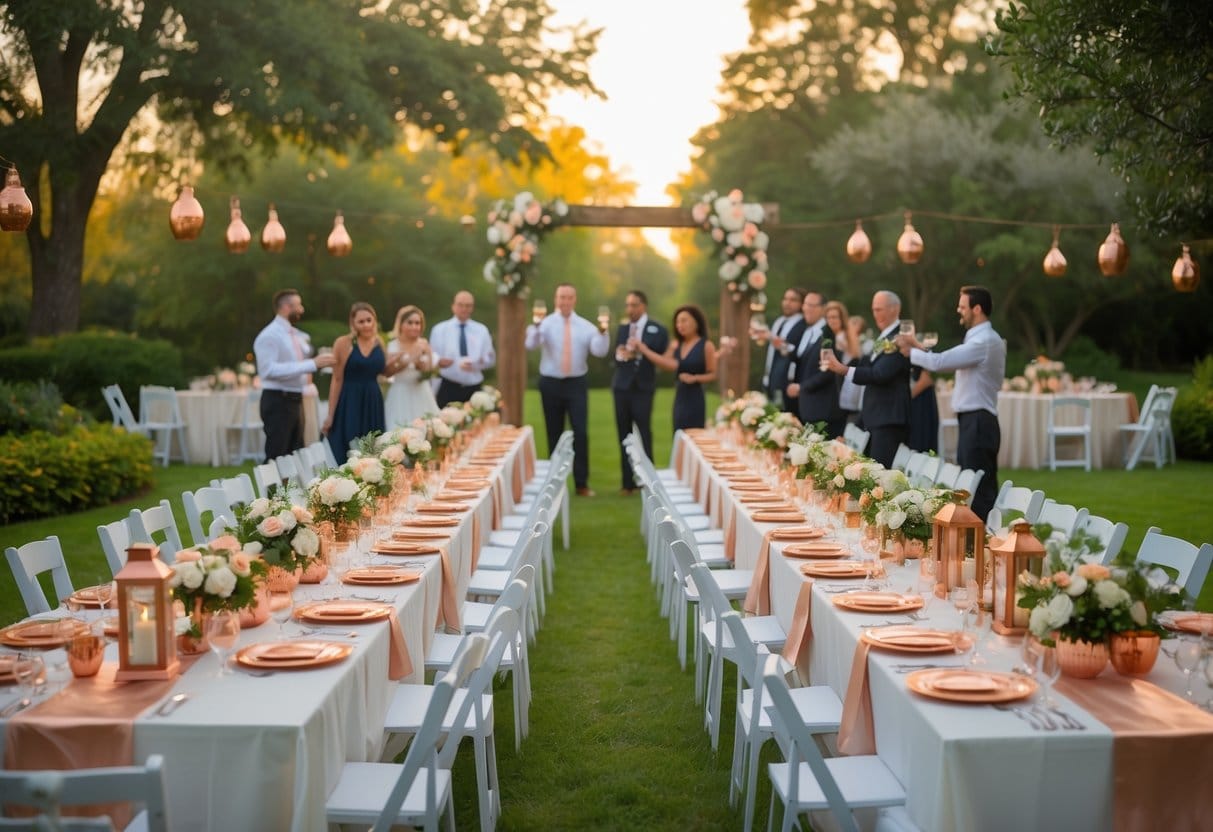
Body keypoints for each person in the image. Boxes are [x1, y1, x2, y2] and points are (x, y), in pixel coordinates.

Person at [897, 285, 1005, 521]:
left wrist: (910, 352)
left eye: (962, 306)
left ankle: (979, 544)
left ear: (977, 309)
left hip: (978, 421)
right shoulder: (980, 338)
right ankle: (975, 543)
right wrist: (917, 346)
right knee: (973, 484)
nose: (958, 310)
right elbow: (944, 358)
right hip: (974, 420)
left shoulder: (984, 341)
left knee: (979, 489)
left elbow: (940, 362)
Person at [526, 283, 609, 496]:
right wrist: (536, 328)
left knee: (580, 433)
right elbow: (531, 344)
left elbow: (600, 351)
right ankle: (555, 484)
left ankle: (582, 484)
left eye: (569, 297)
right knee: (554, 432)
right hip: (550, 382)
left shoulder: (585, 326)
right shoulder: (544, 324)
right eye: (561, 297)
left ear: (575, 300)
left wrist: (603, 332)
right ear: (556, 299)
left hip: (576, 383)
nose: (565, 301)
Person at [823, 290, 911, 468]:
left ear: (895, 309)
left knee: (881, 474)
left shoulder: (900, 335)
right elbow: (867, 365)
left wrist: (843, 369)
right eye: (874, 309)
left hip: (889, 417)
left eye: (880, 309)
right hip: (875, 415)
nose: (875, 314)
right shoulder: (883, 336)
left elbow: (880, 373)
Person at [253, 289, 337, 462]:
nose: (302, 309)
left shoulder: (295, 335)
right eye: (298, 305)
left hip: (295, 399)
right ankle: (271, 490)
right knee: (277, 455)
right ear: (285, 307)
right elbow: (268, 371)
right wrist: (312, 364)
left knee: (293, 456)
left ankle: (289, 490)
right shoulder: (269, 335)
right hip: (278, 401)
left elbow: (300, 357)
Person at [324, 302, 401, 465]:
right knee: (351, 444)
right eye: (361, 321)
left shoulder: (379, 342)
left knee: (374, 446)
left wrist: (397, 363)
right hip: (350, 398)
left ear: (374, 320)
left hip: (373, 398)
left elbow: (384, 373)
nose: (366, 324)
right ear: (353, 323)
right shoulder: (344, 343)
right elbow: (337, 379)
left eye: (369, 320)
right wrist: (330, 415)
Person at [611, 290, 669, 495]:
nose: (630, 309)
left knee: (645, 433)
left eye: (634, 305)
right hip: (621, 387)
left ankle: (649, 481)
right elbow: (616, 355)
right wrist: (622, 355)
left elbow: (663, 356)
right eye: (627, 305)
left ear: (643, 306)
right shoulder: (623, 328)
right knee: (623, 434)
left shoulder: (657, 329)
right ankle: (628, 483)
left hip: (643, 388)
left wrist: (641, 350)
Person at [631, 304, 718, 433]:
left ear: (696, 322)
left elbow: (713, 374)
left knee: (695, 435)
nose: (680, 325)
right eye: (677, 322)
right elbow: (664, 363)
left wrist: (695, 378)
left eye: (684, 321)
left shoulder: (706, 346)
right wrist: (644, 350)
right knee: (679, 434)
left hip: (696, 398)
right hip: (680, 398)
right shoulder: (676, 345)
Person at [786, 292, 845, 438]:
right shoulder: (811, 332)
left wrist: (801, 387)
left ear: (823, 309)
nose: (806, 308)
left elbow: (827, 371)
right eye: (805, 304)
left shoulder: (827, 335)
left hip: (822, 410)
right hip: (809, 407)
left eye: (811, 305)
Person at [429, 290, 496, 407]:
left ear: (472, 308)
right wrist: (440, 362)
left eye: (468, 305)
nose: (464, 309)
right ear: (453, 306)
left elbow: (490, 359)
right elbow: (432, 359)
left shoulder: (481, 330)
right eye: (460, 305)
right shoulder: (440, 330)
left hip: (474, 387)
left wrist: (477, 364)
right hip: (448, 386)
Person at [384, 305, 439, 427]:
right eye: (410, 323)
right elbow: (387, 372)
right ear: (401, 325)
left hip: (422, 393)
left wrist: (423, 365)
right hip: (400, 394)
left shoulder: (423, 343)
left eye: (417, 323)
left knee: (428, 430)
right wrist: (410, 359)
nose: (414, 326)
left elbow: (429, 373)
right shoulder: (393, 345)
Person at [762, 287, 807, 411]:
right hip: (770, 377)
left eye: (793, 300)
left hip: (787, 381)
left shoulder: (803, 325)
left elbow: (797, 352)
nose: (787, 303)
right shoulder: (779, 321)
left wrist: (778, 343)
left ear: (801, 304)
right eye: (785, 299)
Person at [907, 365, 940, 453]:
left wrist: (905, 399)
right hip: (915, 404)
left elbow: (926, 380)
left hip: (921, 404)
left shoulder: (921, 354)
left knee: (921, 442)